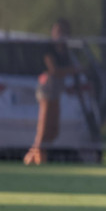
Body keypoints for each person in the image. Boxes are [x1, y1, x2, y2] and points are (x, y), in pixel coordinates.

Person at [25, 19, 79, 166]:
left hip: (57, 92)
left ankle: (33, 157)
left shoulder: (66, 51)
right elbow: (54, 70)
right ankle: (35, 159)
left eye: (62, 31)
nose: (59, 34)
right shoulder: (48, 49)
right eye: (57, 31)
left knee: (53, 130)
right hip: (46, 92)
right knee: (43, 129)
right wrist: (72, 70)